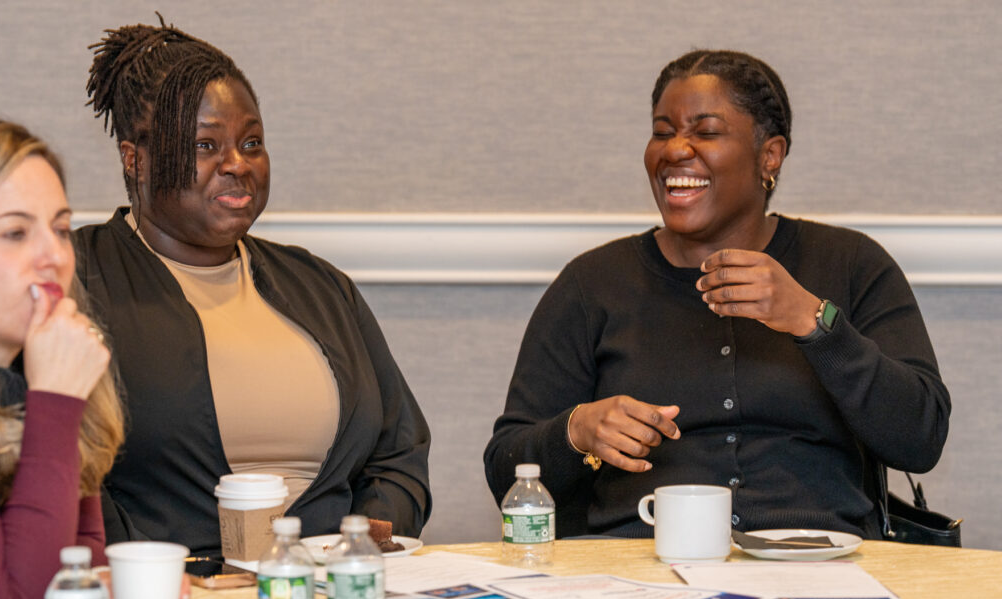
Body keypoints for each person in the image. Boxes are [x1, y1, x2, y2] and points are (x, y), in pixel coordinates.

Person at [484, 50, 950, 539]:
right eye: (662, 132)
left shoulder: (851, 263)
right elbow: (505, 472)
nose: (675, 150)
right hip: (638, 566)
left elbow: (921, 439)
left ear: (770, 155)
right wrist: (576, 431)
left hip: (820, 561)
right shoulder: (592, 284)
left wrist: (814, 322)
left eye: (705, 131)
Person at [75, 17, 431, 556]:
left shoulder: (320, 286)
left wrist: (359, 547)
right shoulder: (75, 278)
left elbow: (398, 451)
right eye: (205, 145)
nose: (237, 165)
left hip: (333, 584)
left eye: (251, 143)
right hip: (171, 589)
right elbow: (51, 464)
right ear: (135, 159)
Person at [0, 119, 124, 599]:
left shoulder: (33, 373)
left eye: (61, 229)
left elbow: (81, 564)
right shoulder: (52, 386)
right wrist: (57, 403)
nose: (56, 257)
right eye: (16, 233)